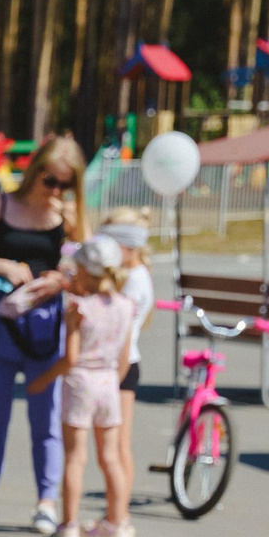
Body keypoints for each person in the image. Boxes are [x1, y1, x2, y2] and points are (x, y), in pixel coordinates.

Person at [0, 132, 87, 534]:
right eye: (50, 181)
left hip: (45, 325)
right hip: (0, 320)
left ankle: (46, 502)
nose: (55, 191)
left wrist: (61, 278)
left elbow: (88, 276)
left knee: (47, 417)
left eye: (64, 184)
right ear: (35, 172)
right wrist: (2, 265)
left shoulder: (67, 217)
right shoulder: (0, 203)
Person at [27, 235, 139, 537]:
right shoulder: (125, 306)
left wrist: (44, 380)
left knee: (76, 457)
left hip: (81, 382)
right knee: (110, 457)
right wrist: (113, 382)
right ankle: (117, 522)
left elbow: (71, 357)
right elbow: (124, 357)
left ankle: (69, 526)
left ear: (86, 272)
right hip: (108, 383)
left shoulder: (79, 307)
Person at [102, 209, 157, 513]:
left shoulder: (135, 281)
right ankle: (115, 513)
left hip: (121, 368)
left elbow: (122, 335)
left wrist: (114, 375)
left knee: (117, 448)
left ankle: (117, 515)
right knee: (115, 447)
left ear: (125, 245)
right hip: (121, 366)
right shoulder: (134, 276)